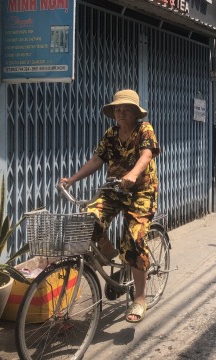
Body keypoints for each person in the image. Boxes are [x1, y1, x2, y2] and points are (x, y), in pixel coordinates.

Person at [59, 89, 160, 323]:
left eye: (126, 109)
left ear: (136, 112)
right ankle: (106, 248)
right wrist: (72, 179)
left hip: (141, 192)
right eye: (117, 109)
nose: (121, 113)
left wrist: (133, 174)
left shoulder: (144, 129)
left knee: (134, 240)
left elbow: (146, 154)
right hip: (115, 189)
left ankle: (141, 297)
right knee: (87, 220)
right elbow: (97, 160)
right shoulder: (111, 134)